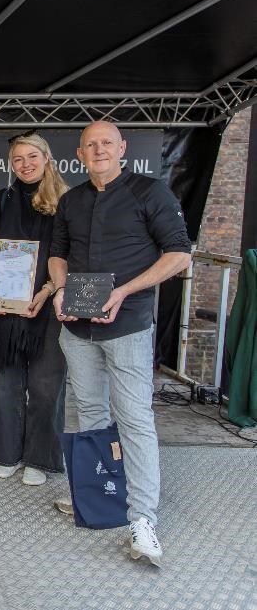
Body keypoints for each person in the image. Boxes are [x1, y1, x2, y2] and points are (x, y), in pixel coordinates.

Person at [49, 121, 191, 566]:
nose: (99, 150)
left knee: (134, 419)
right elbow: (58, 253)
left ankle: (142, 518)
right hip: (77, 329)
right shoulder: (71, 200)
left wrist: (125, 291)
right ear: (79, 153)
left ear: (122, 148)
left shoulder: (151, 192)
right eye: (90, 145)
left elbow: (179, 254)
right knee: (89, 413)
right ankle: (95, 496)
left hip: (127, 324)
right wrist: (57, 289)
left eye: (106, 143)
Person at [0, 132, 68, 486]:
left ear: (47, 158)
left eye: (33, 157)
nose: (26, 165)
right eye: (18, 159)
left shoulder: (67, 200)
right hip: (5, 306)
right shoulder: (4, 199)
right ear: (10, 164)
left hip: (49, 304)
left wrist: (47, 290)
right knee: (3, 383)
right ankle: (7, 453)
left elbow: (71, 255)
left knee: (46, 387)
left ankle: (40, 459)